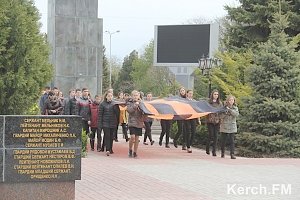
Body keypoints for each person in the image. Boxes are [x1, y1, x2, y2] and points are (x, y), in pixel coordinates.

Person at [98, 91, 120, 156]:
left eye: (111, 96)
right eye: (109, 96)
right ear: (106, 96)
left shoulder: (115, 104)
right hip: (105, 122)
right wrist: (100, 123)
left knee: (111, 136)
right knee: (107, 135)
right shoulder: (102, 104)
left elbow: (117, 114)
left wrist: (117, 122)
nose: (110, 97)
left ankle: (110, 148)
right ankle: (107, 149)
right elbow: (100, 115)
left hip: (113, 122)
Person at [127, 90, 145, 158]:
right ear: (132, 96)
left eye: (137, 95)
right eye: (134, 95)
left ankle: (135, 152)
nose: (135, 97)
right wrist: (135, 105)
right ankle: (130, 149)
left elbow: (144, 111)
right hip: (132, 122)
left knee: (137, 138)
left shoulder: (141, 103)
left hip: (139, 122)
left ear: (139, 96)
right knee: (132, 137)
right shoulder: (129, 103)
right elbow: (129, 110)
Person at [206, 90, 223, 156]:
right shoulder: (209, 102)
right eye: (215, 94)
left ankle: (214, 151)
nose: (216, 95)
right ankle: (207, 148)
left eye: (217, 94)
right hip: (210, 121)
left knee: (216, 136)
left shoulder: (220, 103)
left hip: (217, 121)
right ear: (212, 95)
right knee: (211, 135)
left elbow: (221, 112)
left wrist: (220, 120)